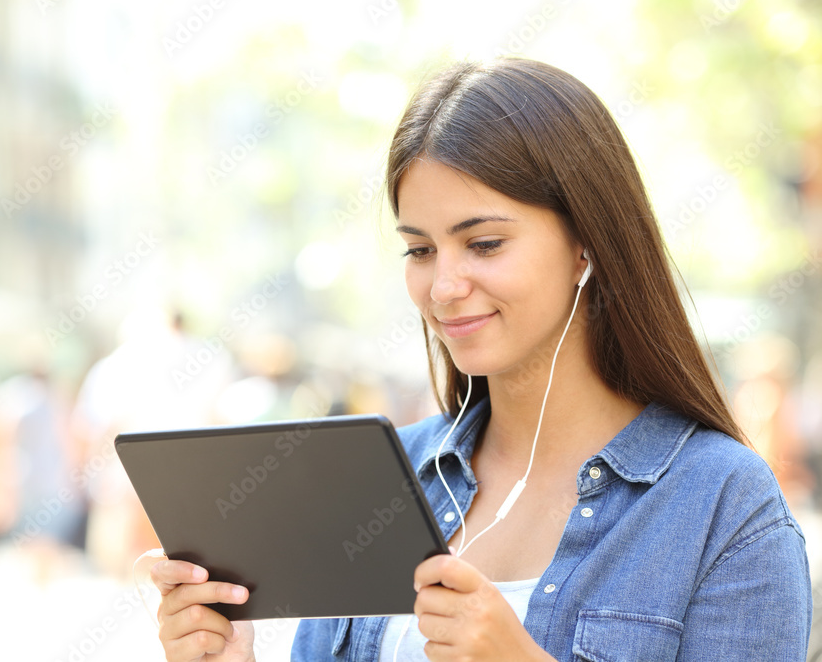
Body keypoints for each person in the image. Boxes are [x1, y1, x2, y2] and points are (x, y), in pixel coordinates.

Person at [150, 58, 812, 660]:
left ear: (586, 243)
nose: (443, 286)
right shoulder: (377, 478)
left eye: (485, 243)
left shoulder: (723, 505)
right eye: (420, 249)